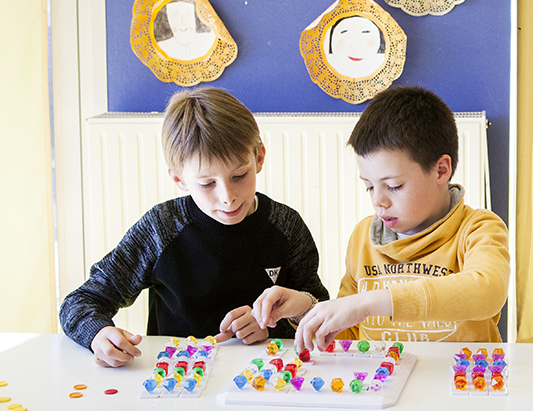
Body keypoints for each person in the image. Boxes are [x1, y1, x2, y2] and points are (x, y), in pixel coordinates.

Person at [59, 88, 329, 367]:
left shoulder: (286, 227)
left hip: (265, 379)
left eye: (239, 175)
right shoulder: (161, 227)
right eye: (206, 184)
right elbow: (81, 301)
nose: (227, 196)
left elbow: (318, 309)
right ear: (179, 179)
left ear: (258, 158)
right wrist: (99, 334)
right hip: (178, 382)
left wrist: (272, 326)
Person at [252, 85, 510, 348]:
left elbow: (488, 291)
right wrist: (306, 311)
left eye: (394, 186)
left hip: (458, 384)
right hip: (385, 383)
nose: (378, 200)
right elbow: (348, 337)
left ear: (441, 170)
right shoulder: (363, 237)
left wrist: (369, 302)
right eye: (369, 186)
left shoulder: (478, 228)